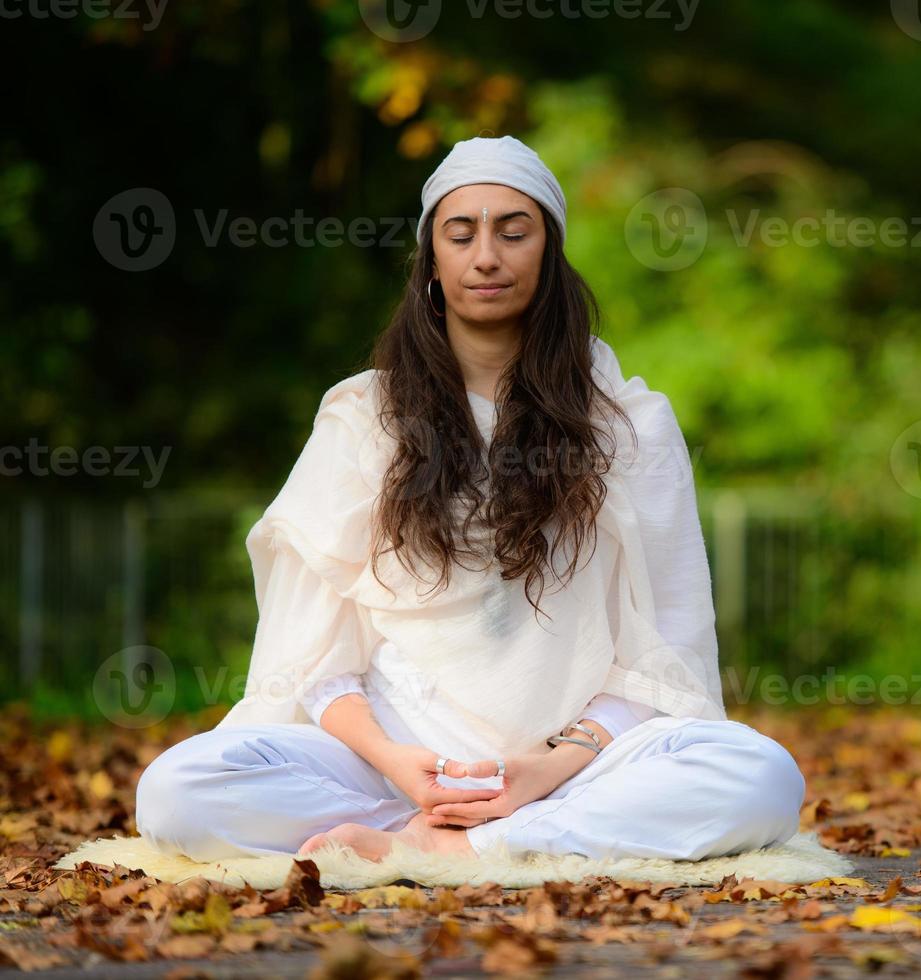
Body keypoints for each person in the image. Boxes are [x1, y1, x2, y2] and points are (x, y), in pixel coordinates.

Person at [133, 135, 806, 864]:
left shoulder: (630, 422)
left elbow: (664, 650)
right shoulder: (363, 415)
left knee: (760, 776)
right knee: (178, 790)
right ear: (432, 263)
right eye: (462, 234)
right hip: (397, 758)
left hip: (572, 763)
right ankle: (424, 829)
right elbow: (315, 656)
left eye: (514, 232)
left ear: (549, 257)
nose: (487, 255)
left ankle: (467, 845)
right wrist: (396, 762)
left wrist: (547, 768)